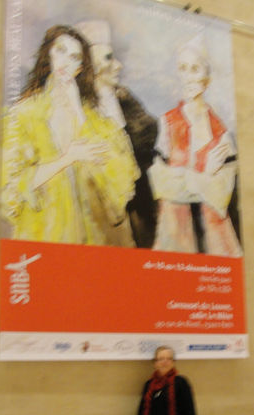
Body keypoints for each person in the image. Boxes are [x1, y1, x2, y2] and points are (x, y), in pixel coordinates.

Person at [1, 25, 139, 246]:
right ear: (48, 54)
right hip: (44, 233)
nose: (65, 61)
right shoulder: (23, 113)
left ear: (80, 68)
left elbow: (120, 174)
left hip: (94, 234)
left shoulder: (91, 116)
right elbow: (13, 186)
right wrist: (67, 158)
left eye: (74, 57)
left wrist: (77, 111)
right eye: (60, 50)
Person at [148, 35, 243, 256]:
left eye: (195, 69)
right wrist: (205, 177)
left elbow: (222, 195)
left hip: (215, 238)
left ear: (207, 78)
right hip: (175, 234)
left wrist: (195, 179)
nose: (188, 77)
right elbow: (162, 184)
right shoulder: (167, 122)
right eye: (183, 68)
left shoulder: (222, 133)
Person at [76, 20, 158, 248]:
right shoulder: (79, 110)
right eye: (108, 58)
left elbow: (149, 133)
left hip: (139, 195)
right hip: (104, 206)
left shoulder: (124, 98)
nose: (118, 66)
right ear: (91, 66)